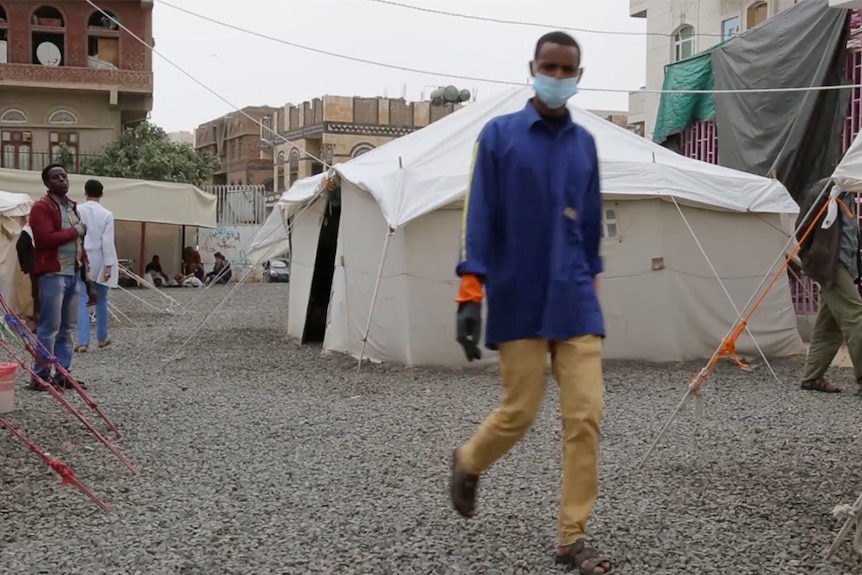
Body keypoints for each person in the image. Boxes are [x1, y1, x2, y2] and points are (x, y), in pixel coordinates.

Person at [448, 32, 611, 574]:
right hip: (518, 296)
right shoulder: (498, 137)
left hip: (575, 299)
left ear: (579, 74)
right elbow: (478, 216)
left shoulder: (585, 144)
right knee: (520, 412)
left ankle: (572, 539)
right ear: (533, 68)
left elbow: (590, 224)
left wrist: (594, 284)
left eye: (568, 69)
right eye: (550, 67)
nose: (559, 77)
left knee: (585, 416)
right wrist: (470, 294)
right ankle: (469, 461)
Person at [28, 164, 93, 390]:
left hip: (73, 273)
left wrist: (88, 279)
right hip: (53, 274)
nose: (62, 180)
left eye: (64, 176)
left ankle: (63, 374)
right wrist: (76, 231)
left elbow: (79, 245)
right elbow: (44, 239)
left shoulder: (71, 207)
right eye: (56, 178)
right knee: (50, 327)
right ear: (47, 183)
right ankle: (41, 375)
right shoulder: (41, 207)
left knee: (67, 327)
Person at [796, 176, 862, 393]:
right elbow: (803, 228)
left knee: (830, 322)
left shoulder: (847, 190)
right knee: (855, 316)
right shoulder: (826, 189)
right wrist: (812, 256)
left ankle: (812, 377)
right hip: (832, 264)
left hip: (842, 264)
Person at [75, 179, 118, 353]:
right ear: (101, 194)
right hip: (99, 256)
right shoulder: (107, 214)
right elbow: (107, 241)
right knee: (101, 298)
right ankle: (101, 338)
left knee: (82, 299)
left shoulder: (77, 210)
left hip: (81, 256)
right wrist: (109, 265)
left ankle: (83, 341)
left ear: (85, 192)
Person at [15, 217, 38, 329]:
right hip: (47, 266)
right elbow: (21, 246)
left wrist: (26, 266)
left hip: (37, 266)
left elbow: (21, 246)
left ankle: (37, 321)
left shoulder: (29, 228)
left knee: (37, 294)